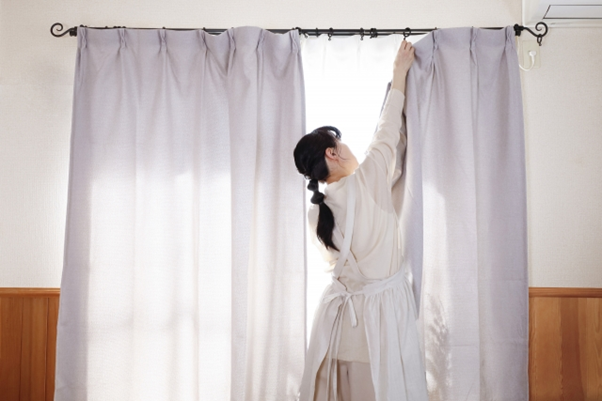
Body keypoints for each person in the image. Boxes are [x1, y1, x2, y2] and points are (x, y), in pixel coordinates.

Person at [293, 40, 428, 401]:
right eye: (343, 143)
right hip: (377, 326)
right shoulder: (368, 179)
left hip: (335, 329)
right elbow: (388, 128)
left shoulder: (316, 212)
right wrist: (399, 72)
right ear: (332, 152)